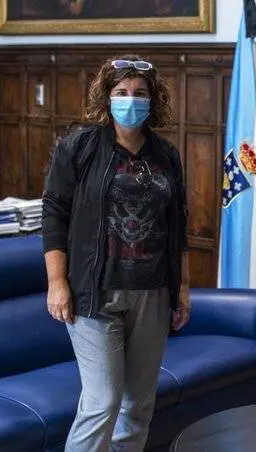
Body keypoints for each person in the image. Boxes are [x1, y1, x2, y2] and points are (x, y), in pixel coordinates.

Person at [42, 54, 190, 451]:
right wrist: (57, 281)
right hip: (95, 294)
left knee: (138, 406)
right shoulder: (79, 147)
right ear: (106, 98)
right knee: (102, 401)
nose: (131, 100)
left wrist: (182, 286)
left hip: (153, 293)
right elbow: (54, 213)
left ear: (152, 99)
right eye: (121, 92)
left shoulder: (166, 155)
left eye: (140, 93)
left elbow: (178, 223)